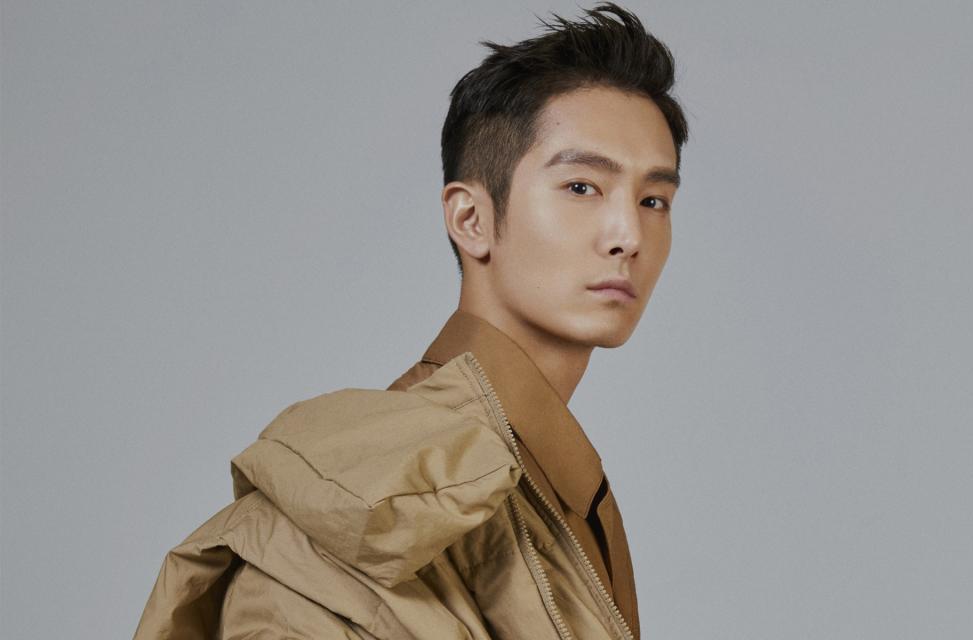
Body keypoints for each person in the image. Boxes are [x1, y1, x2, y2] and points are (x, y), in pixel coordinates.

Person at [133, 2, 688, 638]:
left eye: (654, 200)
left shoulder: (554, 482)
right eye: (582, 187)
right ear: (471, 219)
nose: (629, 235)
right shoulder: (345, 507)